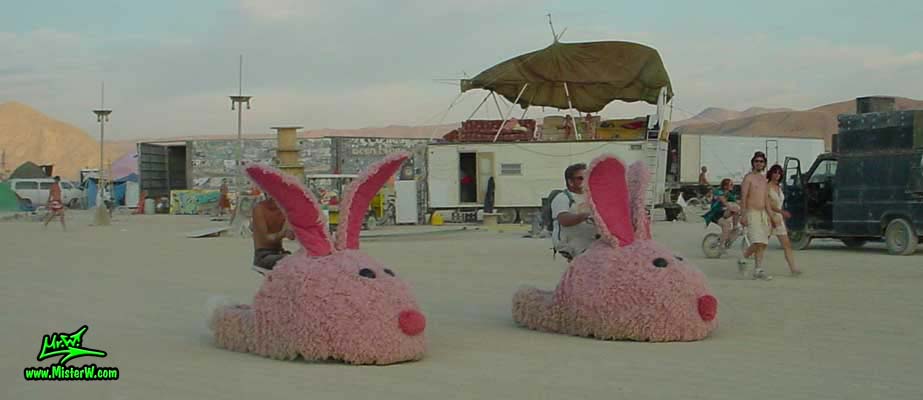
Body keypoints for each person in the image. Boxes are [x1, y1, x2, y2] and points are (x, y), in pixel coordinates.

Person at [550, 163, 599, 261]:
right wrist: (585, 216)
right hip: (572, 248)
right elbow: (564, 219)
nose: (586, 180)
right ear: (570, 181)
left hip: (592, 245)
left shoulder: (593, 197)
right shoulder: (562, 198)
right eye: (581, 178)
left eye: (587, 176)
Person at [739, 151, 773, 280]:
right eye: (756, 161)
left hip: (763, 213)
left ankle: (758, 269)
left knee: (763, 243)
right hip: (751, 212)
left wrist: (771, 215)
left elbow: (766, 199)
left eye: (761, 161)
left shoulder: (764, 179)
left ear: (764, 164)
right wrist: (743, 215)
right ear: (753, 162)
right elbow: (743, 197)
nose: (759, 163)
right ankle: (744, 257)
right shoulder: (748, 178)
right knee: (757, 240)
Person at [767, 164, 803, 276]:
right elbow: (769, 204)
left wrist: (782, 215)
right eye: (775, 172)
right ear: (771, 173)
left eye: (779, 173)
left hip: (779, 218)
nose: (777, 175)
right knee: (761, 244)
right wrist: (781, 212)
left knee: (787, 244)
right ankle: (746, 256)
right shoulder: (767, 187)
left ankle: (793, 268)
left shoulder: (779, 187)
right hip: (769, 216)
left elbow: (779, 203)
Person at [251, 195, 295, 275]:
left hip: (279, 252)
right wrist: (283, 232)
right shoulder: (260, 208)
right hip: (262, 255)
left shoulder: (283, 211)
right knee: (291, 261)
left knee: (304, 260)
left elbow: (291, 236)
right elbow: (266, 239)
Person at [703, 178, 741, 251]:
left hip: (722, 213)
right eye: (731, 184)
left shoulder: (728, 194)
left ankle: (734, 227)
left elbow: (737, 202)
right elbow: (724, 202)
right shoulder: (719, 191)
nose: (732, 186)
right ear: (725, 186)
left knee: (736, 210)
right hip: (715, 214)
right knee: (726, 226)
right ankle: (721, 246)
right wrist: (731, 208)